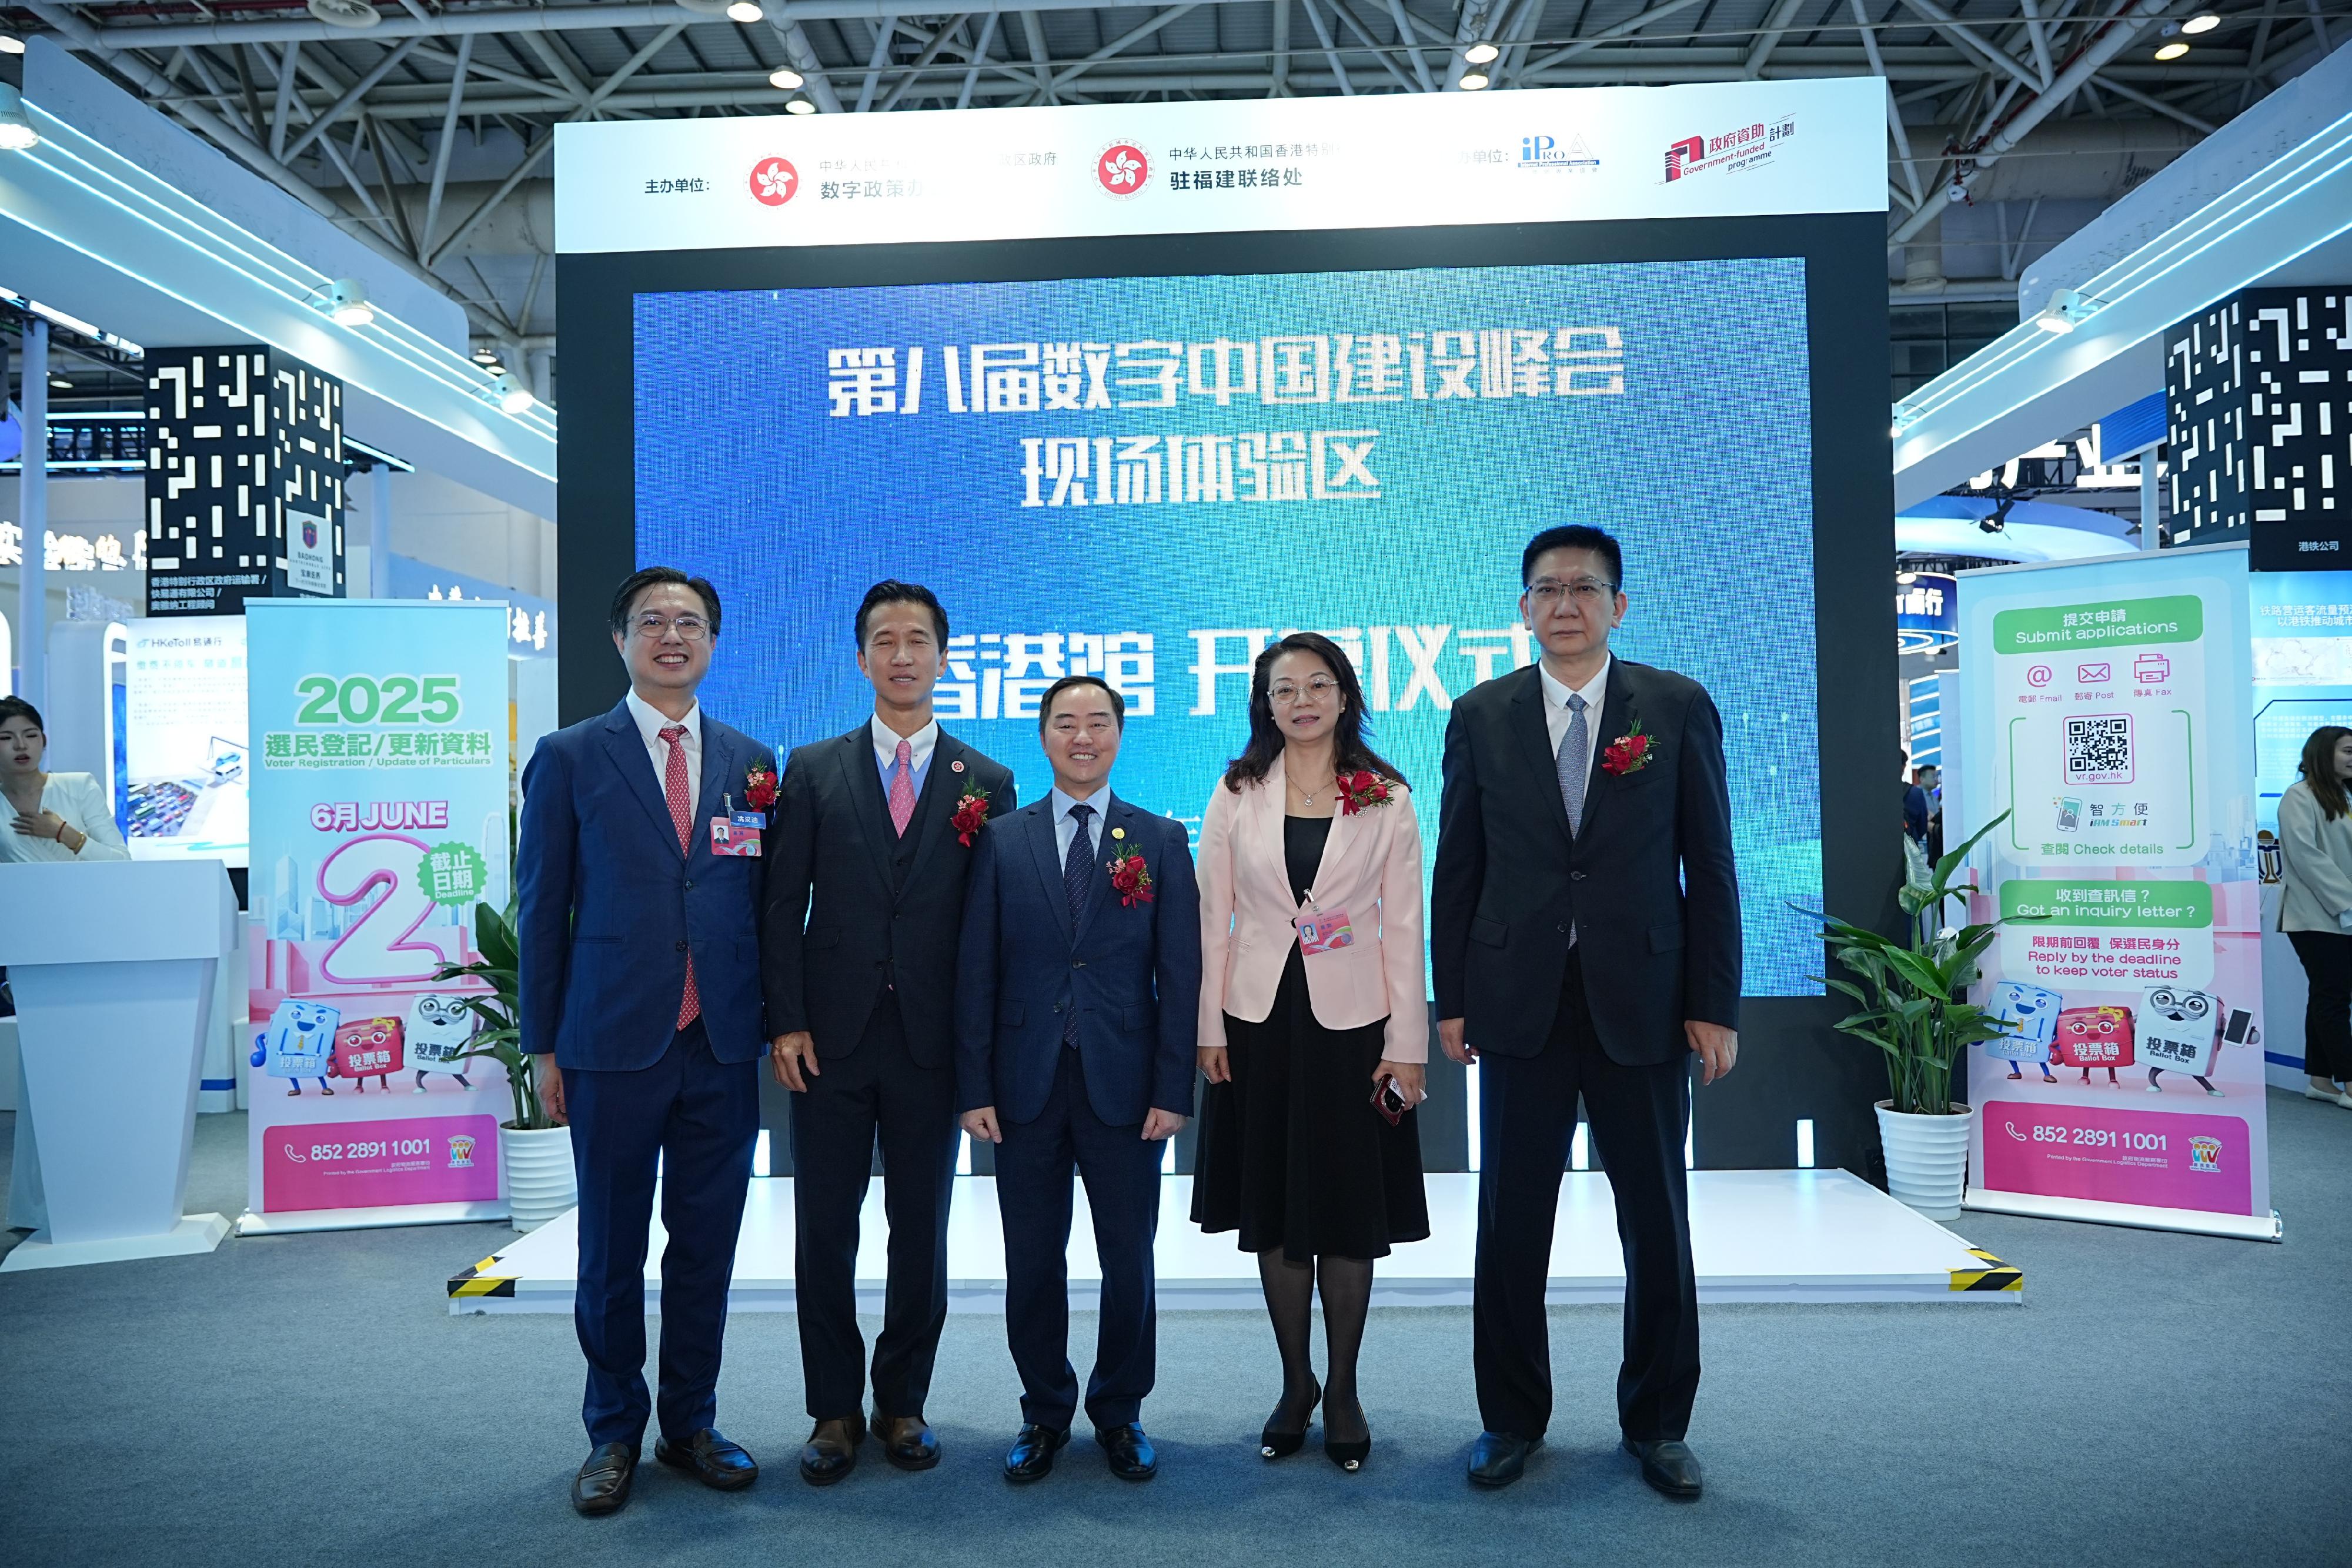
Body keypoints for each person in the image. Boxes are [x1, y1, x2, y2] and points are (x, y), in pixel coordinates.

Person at [1432, 523, 1740, 1496]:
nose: (1564, 604)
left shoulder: (1676, 706)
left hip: (1642, 999)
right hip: (1517, 999)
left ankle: (1658, 1423)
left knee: (1657, 1220)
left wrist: (1714, 1002)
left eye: (1585, 588)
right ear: (1523, 607)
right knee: (1510, 1223)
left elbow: (1711, 864)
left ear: (1619, 604)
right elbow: (1459, 864)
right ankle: (1510, 1419)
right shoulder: (1480, 713)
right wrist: (1453, 996)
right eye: (1547, 589)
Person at [515, 568, 774, 1516]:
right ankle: (613, 1430)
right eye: (653, 621)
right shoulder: (570, 756)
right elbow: (541, 907)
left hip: (720, 1042)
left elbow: (762, 904)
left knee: (706, 1246)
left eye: (691, 622)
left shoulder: (752, 760)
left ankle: (691, 1422)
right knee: (611, 1248)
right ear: (620, 638)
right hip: (610, 1040)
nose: (673, 635)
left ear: (714, 641)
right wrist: (542, 1044)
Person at [762, 580, 1017, 1485]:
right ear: (862, 656)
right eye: (884, 639)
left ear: (943, 656)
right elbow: (780, 904)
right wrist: (786, 1019)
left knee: (921, 1229)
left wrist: (980, 1045)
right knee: (824, 1227)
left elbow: (991, 928)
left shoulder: (986, 780)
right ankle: (833, 1407)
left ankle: (902, 1400)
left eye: (917, 639)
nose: (902, 654)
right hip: (827, 1040)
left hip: (931, 1043)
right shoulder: (813, 767)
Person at [1191, 631, 1430, 1473]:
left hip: (1355, 1026)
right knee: (1275, 1200)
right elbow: (1211, 916)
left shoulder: (1385, 795)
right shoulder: (1237, 790)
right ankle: (1296, 1383)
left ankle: (1346, 1389)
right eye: (1284, 688)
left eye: (1318, 684)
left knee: (1347, 1203)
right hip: (1258, 1022)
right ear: (1264, 703)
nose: (1302, 701)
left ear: (1345, 695)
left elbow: (1404, 926)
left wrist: (1407, 1045)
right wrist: (1209, 1028)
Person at [956, 675, 1200, 1483]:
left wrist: (1172, 1088)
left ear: (1120, 735)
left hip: (1126, 1085)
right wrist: (973, 1086)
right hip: (1023, 1082)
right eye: (1066, 722)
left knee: (1129, 1258)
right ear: (1044, 736)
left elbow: (1180, 973)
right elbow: (976, 971)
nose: (1083, 736)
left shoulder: (1159, 838)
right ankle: (1044, 1411)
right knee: (1032, 1259)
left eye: (1098, 722)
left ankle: (1121, 1409)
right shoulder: (1002, 838)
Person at [2276, 724, 2352, 1108]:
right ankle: (2350, 1084)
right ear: (2324, 753)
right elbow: (2307, 856)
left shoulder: (2343, 794)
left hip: (2340, 912)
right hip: (2315, 913)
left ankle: (2321, 1081)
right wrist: (2348, 900)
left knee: (2327, 994)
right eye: (2348, 751)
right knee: (2333, 997)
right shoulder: (2299, 795)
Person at [0, 697, 132, 864]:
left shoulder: (80, 786)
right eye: (6, 738)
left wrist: (63, 833)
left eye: (31, 735)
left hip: (83, 882)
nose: (21, 745)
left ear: (44, 740)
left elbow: (122, 861)